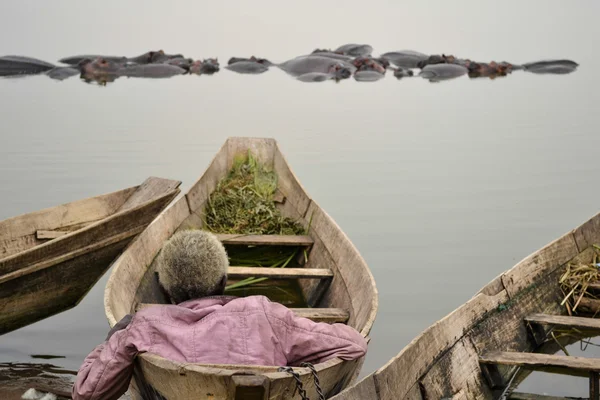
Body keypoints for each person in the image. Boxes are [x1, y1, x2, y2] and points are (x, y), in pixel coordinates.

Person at [72, 230, 367, 400]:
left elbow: (86, 394)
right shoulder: (262, 314)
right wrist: (288, 354)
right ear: (224, 282)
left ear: (164, 292)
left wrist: (111, 340)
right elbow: (354, 345)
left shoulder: (144, 327)